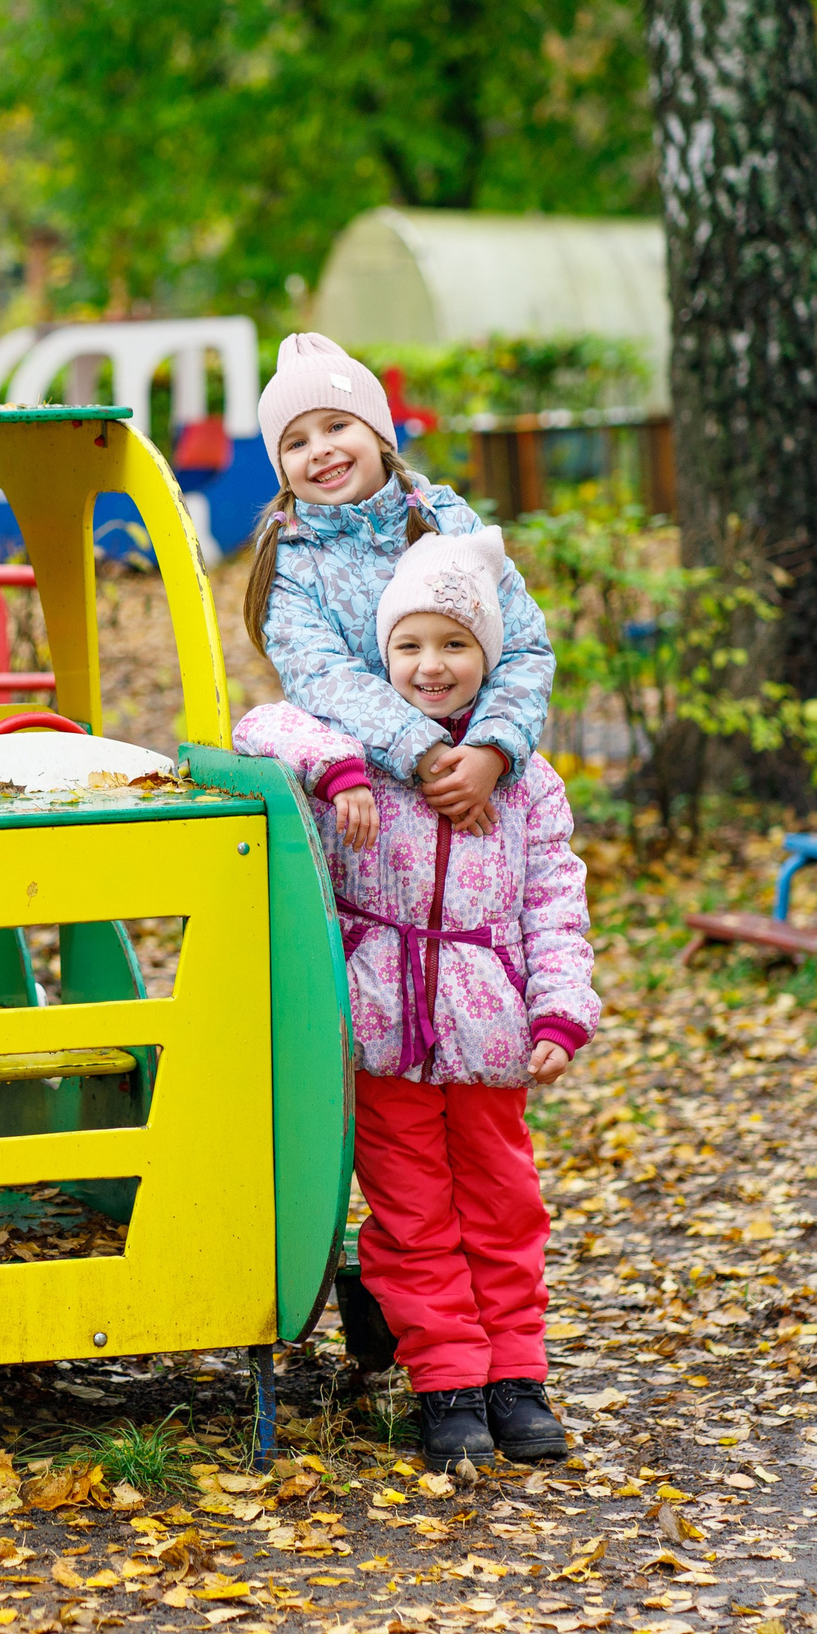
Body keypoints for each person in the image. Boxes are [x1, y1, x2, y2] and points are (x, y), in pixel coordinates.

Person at [234, 528, 599, 1475]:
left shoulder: (521, 782)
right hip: (384, 1027)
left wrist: (560, 1009)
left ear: (488, 656)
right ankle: (446, 1383)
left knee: (505, 1204)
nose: (430, 666)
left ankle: (516, 1375)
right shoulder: (358, 748)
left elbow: (555, 900)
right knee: (410, 1214)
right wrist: (344, 769)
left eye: (453, 645)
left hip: (489, 1030)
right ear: (381, 655)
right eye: (410, 646)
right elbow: (258, 726)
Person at [242, 333, 554, 837]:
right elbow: (321, 675)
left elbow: (523, 645)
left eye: (337, 425)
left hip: (481, 793)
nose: (320, 450)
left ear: (379, 432)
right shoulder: (290, 561)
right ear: (282, 469)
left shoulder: (446, 520)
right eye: (296, 442)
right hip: (366, 811)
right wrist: (423, 751)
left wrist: (491, 750)